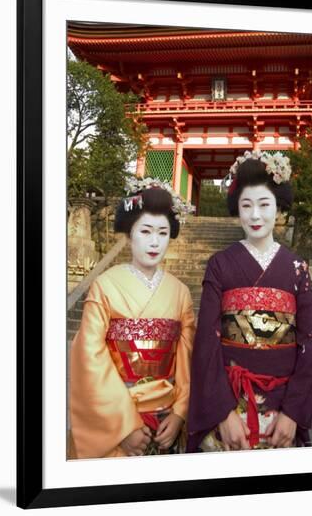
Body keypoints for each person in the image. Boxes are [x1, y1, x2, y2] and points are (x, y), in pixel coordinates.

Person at [187, 150, 312, 453]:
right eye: (246, 205)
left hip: (282, 406)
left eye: (264, 204)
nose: (255, 215)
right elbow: (207, 340)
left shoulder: (297, 267)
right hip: (229, 400)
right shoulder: (219, 264)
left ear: (279, 207)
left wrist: (292, 413)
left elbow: (308, 341)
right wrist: (221, 412)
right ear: (237, 208)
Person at [70, 179, 196, 459]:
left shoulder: (181, 293)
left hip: (166, 420)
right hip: (116, 413)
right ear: (129, 235)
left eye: (163, 232)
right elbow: (89, 358)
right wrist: (123, 427)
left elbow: (186, 363)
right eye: (146, 231)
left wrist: (179, 414)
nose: (154, 242)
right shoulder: (105, 285)